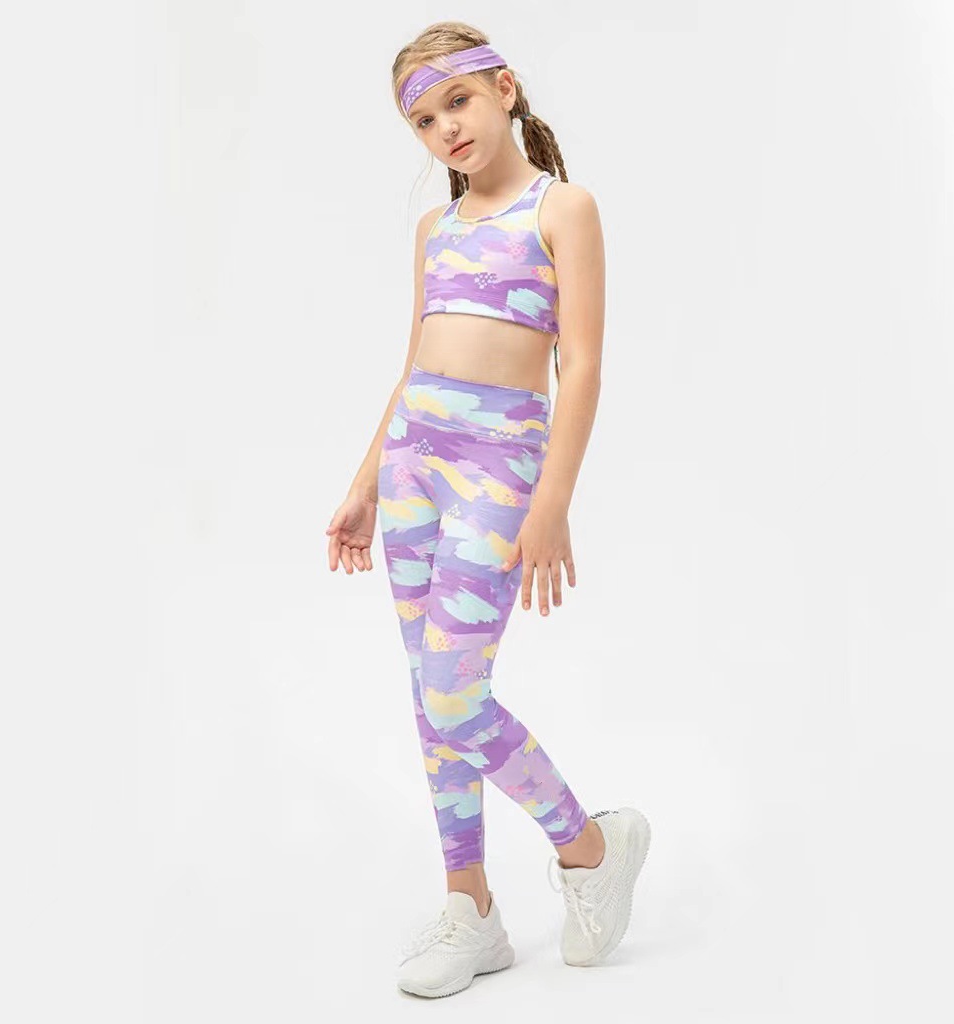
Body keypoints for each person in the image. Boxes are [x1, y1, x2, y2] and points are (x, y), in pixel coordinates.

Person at [325, 21, 651, 999]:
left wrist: (553, 499)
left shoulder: (564, 209)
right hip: (413, 469)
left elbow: (580, 365)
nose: (445, 130)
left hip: (499, 475)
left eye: (456, 102)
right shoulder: (437, 229)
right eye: (424, 121)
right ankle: (470, 908)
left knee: (454, 694)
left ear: (503, 88)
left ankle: (589, 848)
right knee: (431, 695)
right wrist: (363, 483)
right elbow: (413, 365)